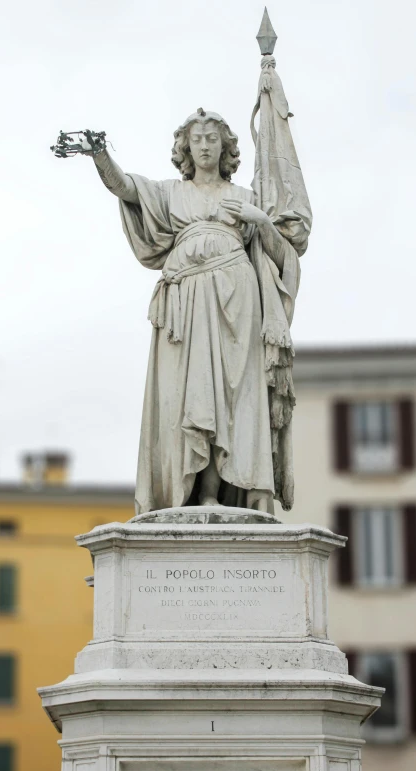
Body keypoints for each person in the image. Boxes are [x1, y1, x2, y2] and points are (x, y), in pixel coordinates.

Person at [81, 108, 308, 516]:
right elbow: (126, 187)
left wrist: (262, 221)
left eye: (212, 138)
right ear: (185, 148)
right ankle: (184, 490)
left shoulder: (247, 198)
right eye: (197, 139)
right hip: (184, 303)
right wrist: (101, 156)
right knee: (186, 395)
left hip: (238, 304)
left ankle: (216, 491)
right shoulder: (170, 193)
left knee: (231, 396)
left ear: (225, 147)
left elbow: (284, 257)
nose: (204, 145)